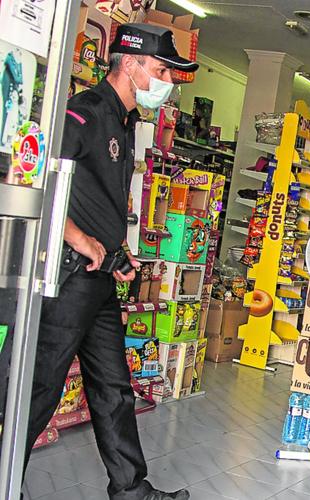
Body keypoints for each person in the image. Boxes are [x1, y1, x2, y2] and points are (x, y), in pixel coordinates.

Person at [24, 24, 198, 500]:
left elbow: (92, 197)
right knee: (37, 390)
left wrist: (116, 251)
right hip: (65, 277)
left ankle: (130, 489)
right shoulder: (84, 113)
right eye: (161, 69)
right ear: (131, 62)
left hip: (98, 279)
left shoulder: (125, 121)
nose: (166, 81)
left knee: (114, 389)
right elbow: (36, 176)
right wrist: (78, 238)